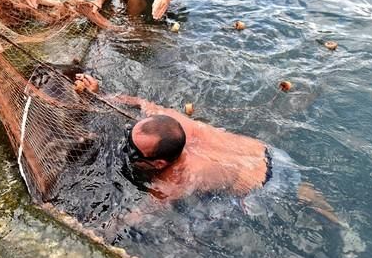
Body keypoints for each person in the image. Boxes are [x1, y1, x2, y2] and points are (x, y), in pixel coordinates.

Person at [73, 74, 340, 223]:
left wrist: (97, 229)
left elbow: (139, 215)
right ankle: (331, 213)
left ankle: (335, 221)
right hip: (271, 155)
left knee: (200, 220)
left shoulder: (176, 180)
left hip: (264, 189)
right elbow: (140, 102)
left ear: (159, 164)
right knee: (304, 192)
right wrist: (99, 93)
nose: (127, 145)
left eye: (134, 150)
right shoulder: (175, 123)